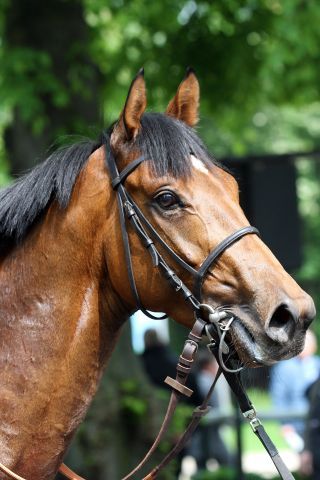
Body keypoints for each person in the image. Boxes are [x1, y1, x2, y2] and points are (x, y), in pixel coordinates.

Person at [270, 330, 320, 452]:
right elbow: (279, 397)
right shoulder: (284, 368)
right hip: (295, 424)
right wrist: (285, 424)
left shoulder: (317, 364)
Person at [188, 348, 234, 470]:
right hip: (209, 428)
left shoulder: (200, 378)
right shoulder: (206, 380)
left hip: (204, 430)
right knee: (227, 461)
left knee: (202, 463)